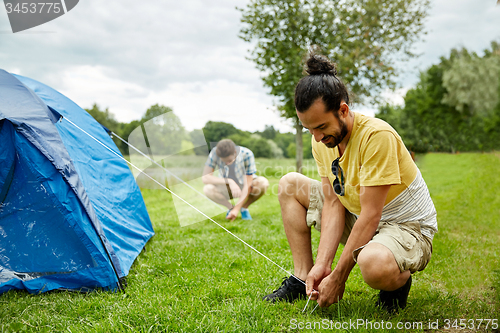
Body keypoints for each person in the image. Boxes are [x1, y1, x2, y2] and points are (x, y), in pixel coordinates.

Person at [262, 54, 438, 313]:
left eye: (321, 127)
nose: (317, 137)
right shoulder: (322, 139)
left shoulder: (377, 137)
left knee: (373, 263)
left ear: (343, 110)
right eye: (309, 129)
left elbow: (370, 215)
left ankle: (396, 281)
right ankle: (302, 278)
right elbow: (333, 201)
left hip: (405, 226)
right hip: (359, 216)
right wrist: (323, 265)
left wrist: (338, 278)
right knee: (289, 184)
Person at [202, 139, 269, 221]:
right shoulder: (214, 153)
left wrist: (237, 209)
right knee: (207, 189)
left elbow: (247, 184)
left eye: (229, 161)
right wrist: (229, 181)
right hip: (227, 186)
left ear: (235, 153)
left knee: (263, 183)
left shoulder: (247, 154)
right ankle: (230, 208)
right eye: (224, 161)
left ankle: (243, 208)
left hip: (244, 184)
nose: (227, 163)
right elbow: (205, 178)